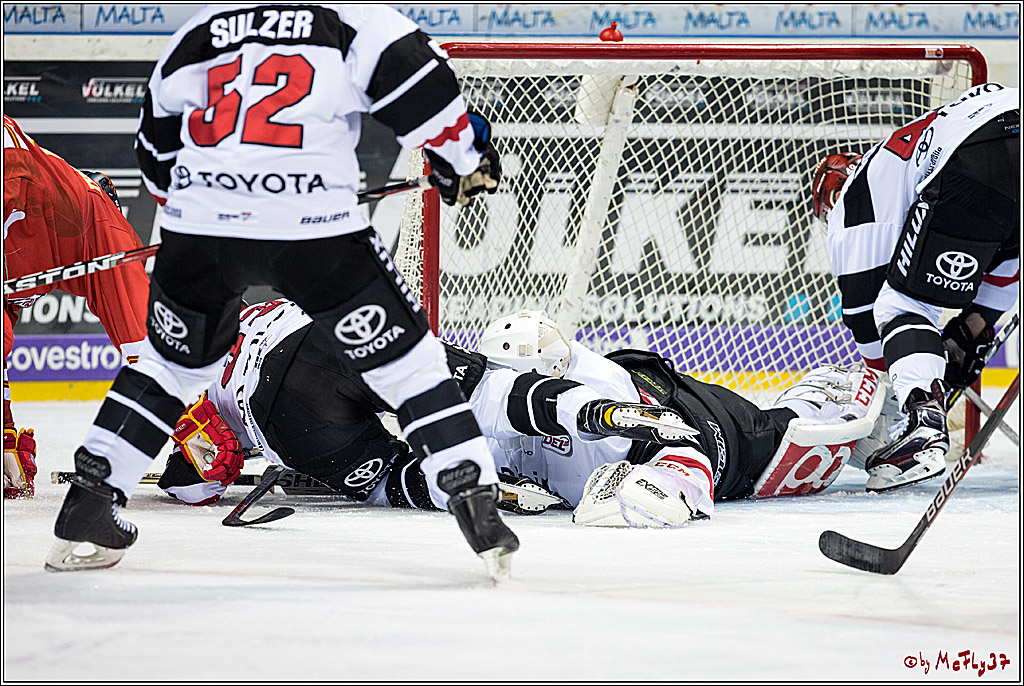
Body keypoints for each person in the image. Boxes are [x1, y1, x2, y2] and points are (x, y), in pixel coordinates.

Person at [45, 4, 516, 580]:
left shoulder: (198, 30)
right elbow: (427, 93)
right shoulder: (357, 21)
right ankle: (475, 500)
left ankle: (91, 498)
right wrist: (464, 163)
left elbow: (155, 154)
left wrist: (208, 209)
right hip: (314, 230)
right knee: (409, 366)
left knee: (167, 367)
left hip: (203, 228)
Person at [155, 304, 887, 530]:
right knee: (508, 394)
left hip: (287, 420)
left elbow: (189, 481)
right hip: (322, 329)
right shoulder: (234, 315)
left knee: (728, 449)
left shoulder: (185, 385)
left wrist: (473, 489)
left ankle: (651, 455)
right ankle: (638, 444)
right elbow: (497, 397)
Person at [811, 82, 1019, 493]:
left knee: (901, 306)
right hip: (1001, 128)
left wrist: (891, 398)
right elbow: (1000, 280)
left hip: (985, 153)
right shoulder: (900, 156)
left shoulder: (855, 196)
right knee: (963, 321)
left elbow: (867, 318)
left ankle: (921, 432)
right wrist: (969, 334)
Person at [3, 114, 150, 499]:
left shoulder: (96, 221)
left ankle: (219, 417)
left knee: (150, 346)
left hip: (84, 230)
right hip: (45, 236)